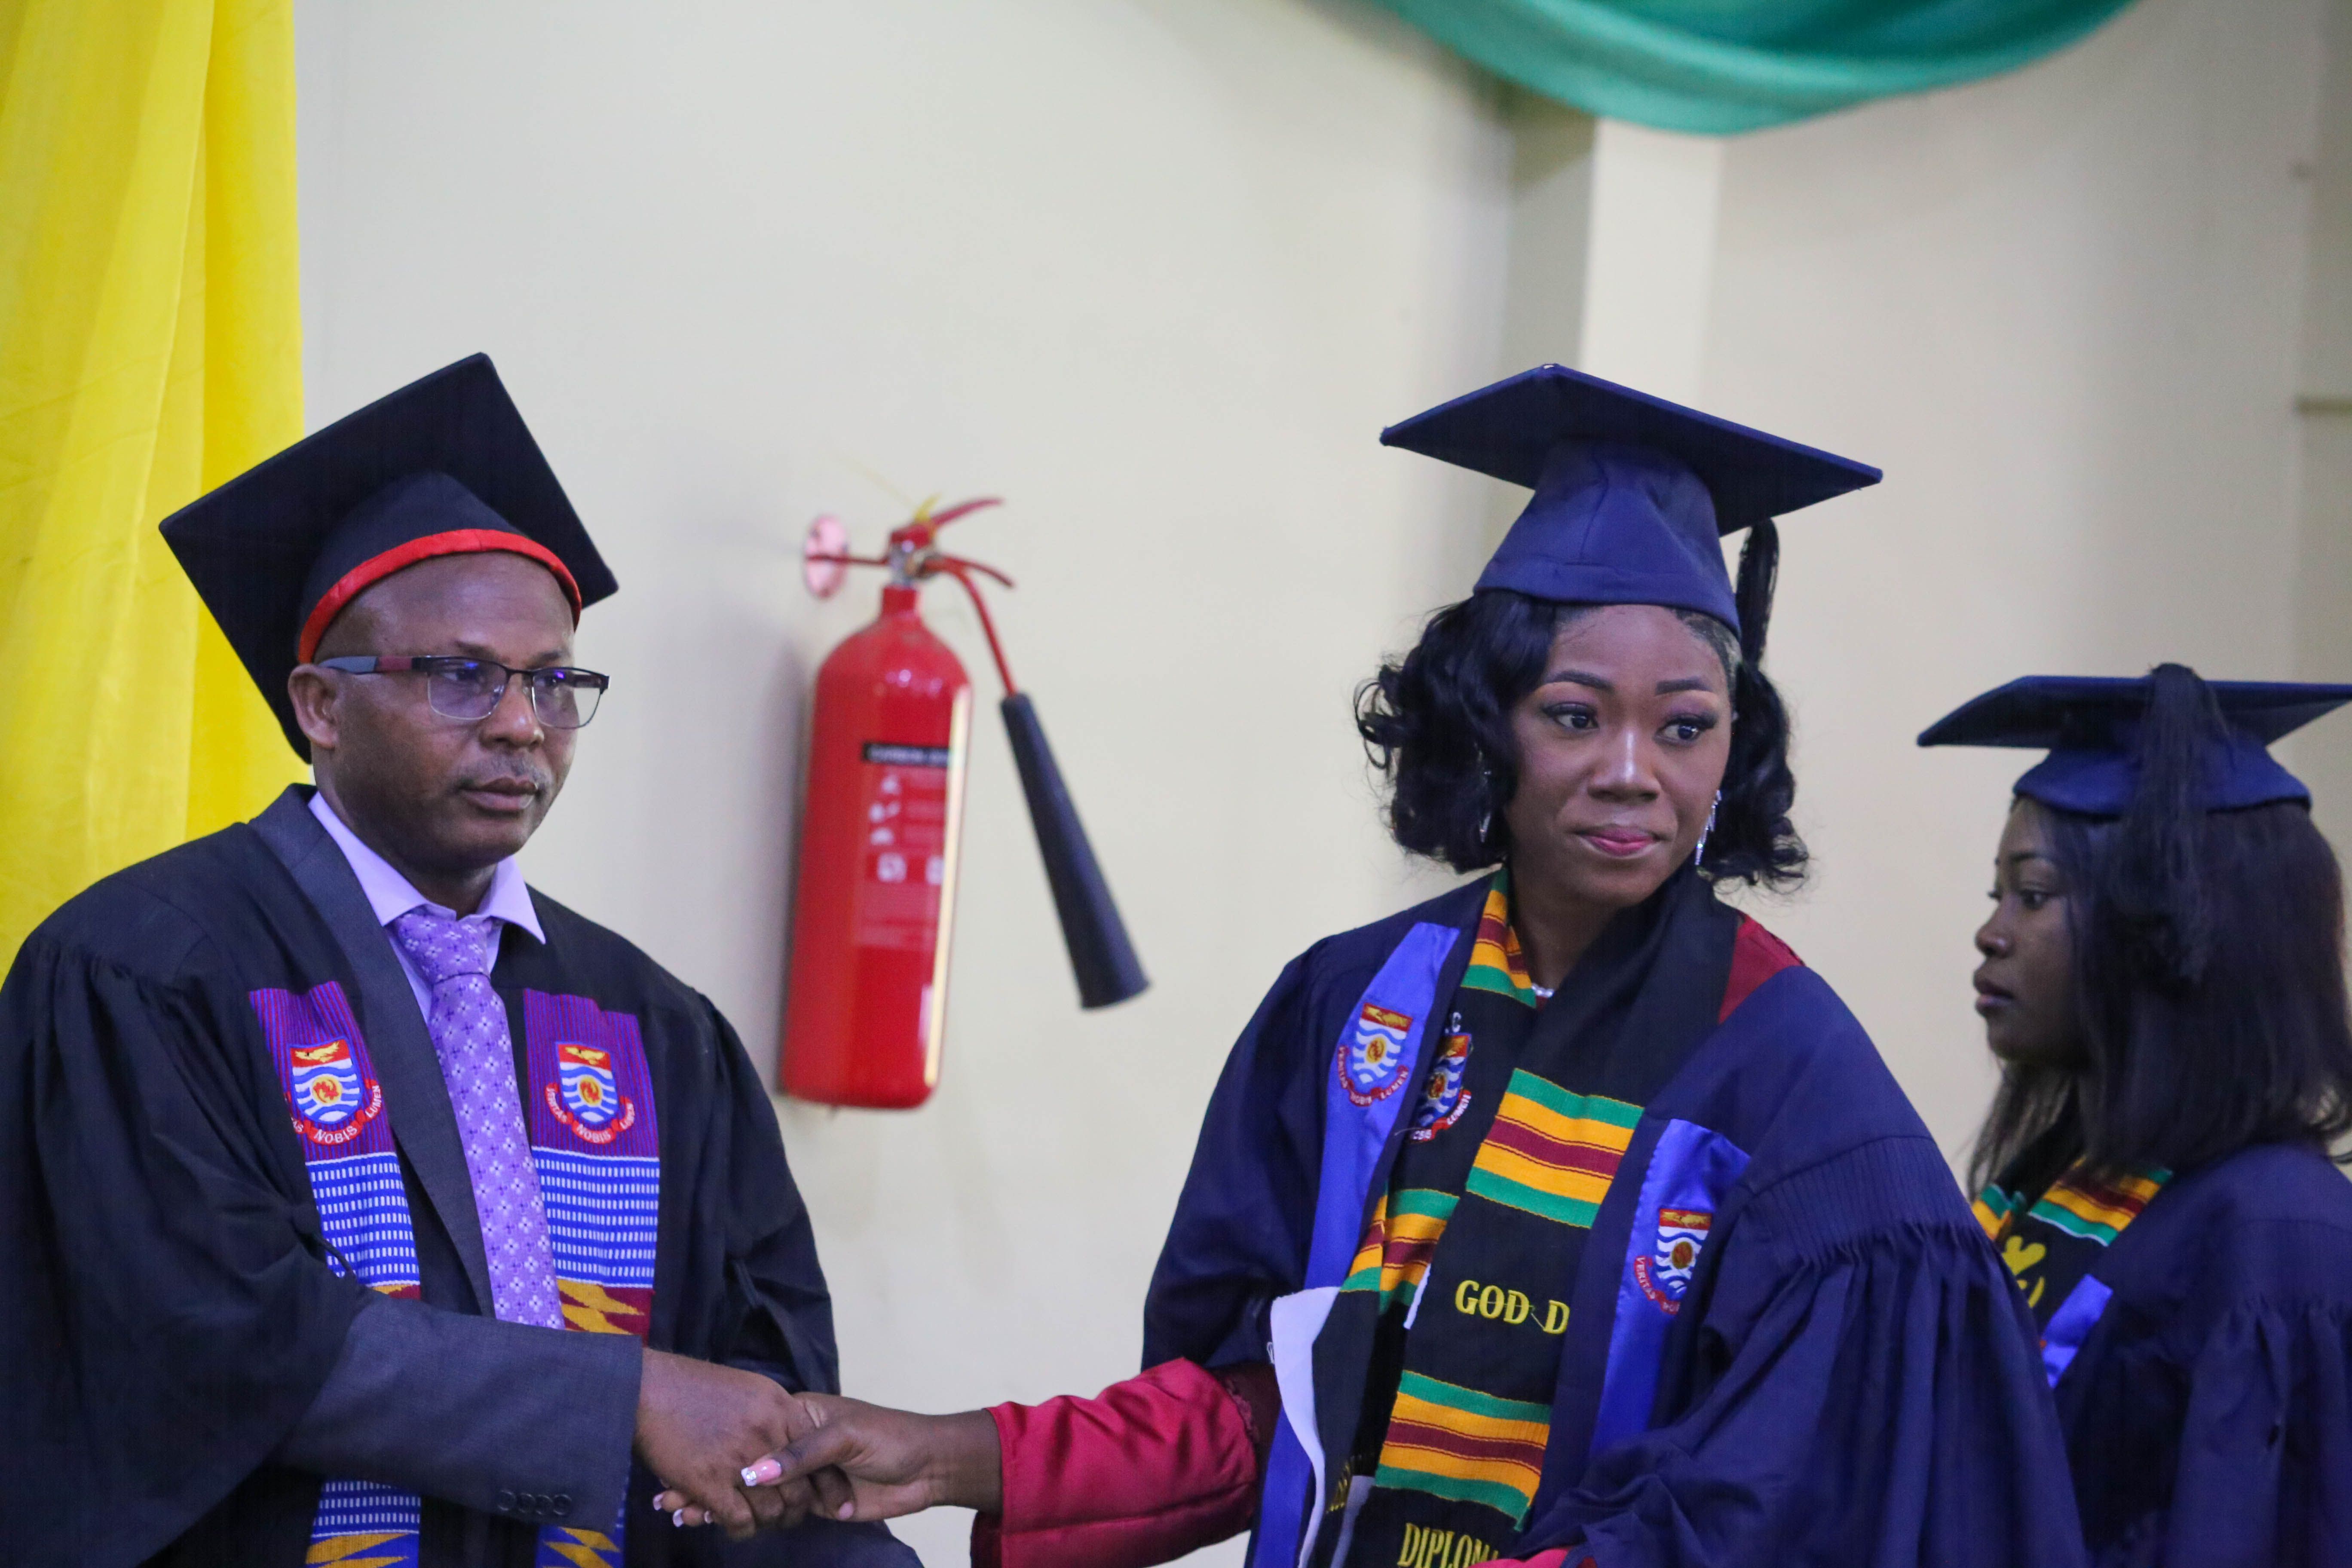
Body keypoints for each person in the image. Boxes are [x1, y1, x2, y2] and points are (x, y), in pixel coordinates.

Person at [720, 365, 2088, 1567]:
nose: (1632, 773)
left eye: (1685, 727)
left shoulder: (1790, 1078)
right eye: (1573, 715)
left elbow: (1772, 1517)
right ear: (1482, 728)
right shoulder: (1358, 1004)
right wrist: (961, 1453)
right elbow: (1265, 1407)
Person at [0, 355, 912, 1568]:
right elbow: (206, 1339)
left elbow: (757, 1357)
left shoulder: (649, 1020)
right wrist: (620, 1395)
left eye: (552, 682)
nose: (522, 724)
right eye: (462, 675)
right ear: (321, 705)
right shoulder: (148, 974)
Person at [1920, 666, 2352, 1565]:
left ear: (2166, 927)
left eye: (2032, 895)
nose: (1992, 933)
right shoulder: (2072, 1177)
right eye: (1993, 894)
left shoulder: (2281, 1233)